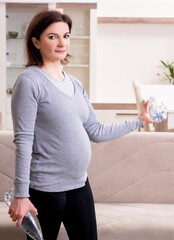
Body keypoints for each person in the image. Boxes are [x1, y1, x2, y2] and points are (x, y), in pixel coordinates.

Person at [8, 10, 152, 240]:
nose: (61, 42)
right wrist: (21, 194)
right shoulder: (30, 82)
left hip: (79, 184)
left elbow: (96, 131)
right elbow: (23, 141)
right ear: (36, 42)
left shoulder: (75, 83)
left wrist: (139, 120)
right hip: (45, 190)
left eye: (65, 36)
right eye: (52, 37)